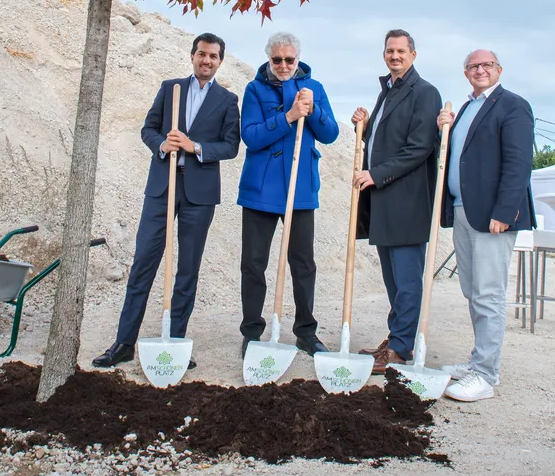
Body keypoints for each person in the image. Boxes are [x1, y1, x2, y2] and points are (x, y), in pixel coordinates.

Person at [93, 33, 240, 369]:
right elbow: (148, 129)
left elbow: (231, 147)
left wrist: (194, 147)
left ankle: (174, 344)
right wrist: (163, 145)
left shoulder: (227, 100)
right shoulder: (170, 88)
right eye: (201, 54)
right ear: (192, 56)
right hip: (162, 188)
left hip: (199, 196)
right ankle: (124, 343)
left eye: (213, 56)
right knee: (144, 262)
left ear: (220, 61)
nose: (206, 61)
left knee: (187, 269)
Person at [438, 50, 535, 402]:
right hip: (464, 212)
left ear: (499, 70)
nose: (480, 70)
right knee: (472, 290)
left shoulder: (513, 105)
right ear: (465, 73)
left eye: (486, 65)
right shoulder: (466, 109)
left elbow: (519, 162)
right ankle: (479, 360)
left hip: (492, 217)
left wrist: (505, 212)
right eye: (473, 66)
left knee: (489, 294)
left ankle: (486, 375)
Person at [237, 32, 339, 358]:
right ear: (269, 59)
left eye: (289, 60)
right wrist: (289, 117)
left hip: (300, 188)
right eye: (277, 59)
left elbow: (331, 134)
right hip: (260, 188)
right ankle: (252, 331)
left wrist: (314, 112)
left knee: (303, 263)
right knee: (253, 263)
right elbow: (251, 137)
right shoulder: (254, 89)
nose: (283, 65)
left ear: (298, 59)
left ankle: (306, 333)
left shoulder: (315, 89)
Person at [351, 29, 442, 374]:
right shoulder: (387, 91)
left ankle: (401, 349)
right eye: (390, 51)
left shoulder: (425, 92)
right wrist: (366, 126)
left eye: (401, 51)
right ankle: (396, 337)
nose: (395, 56)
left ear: (413, 55)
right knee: (392, 280)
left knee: (406, 280)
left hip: (406, 201)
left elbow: (420, 146)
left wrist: (377, 173)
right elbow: (386, 139)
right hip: (384, 202)